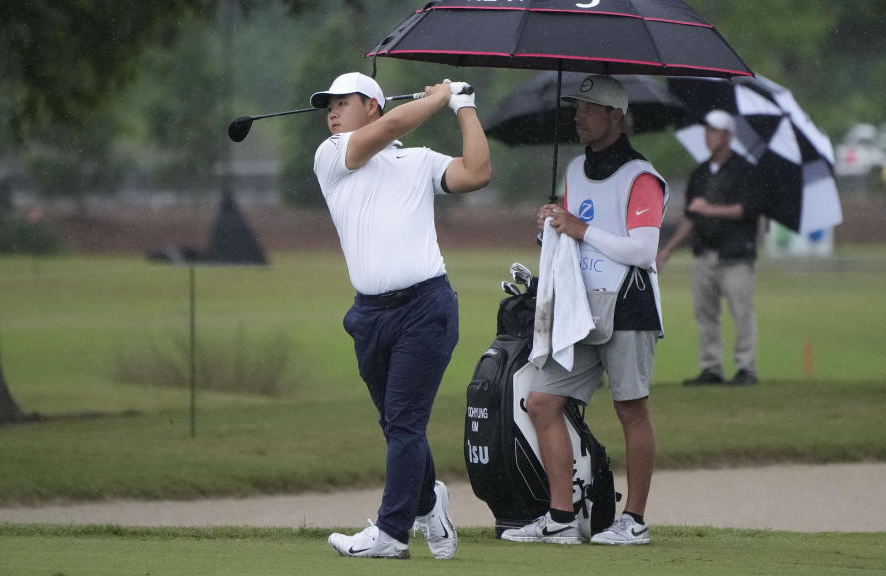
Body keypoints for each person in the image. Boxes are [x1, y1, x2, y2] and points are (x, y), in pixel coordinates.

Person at [311, 72, 490, 560]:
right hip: (368, 315)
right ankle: (430, 503)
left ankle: (392, 533)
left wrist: (462, 106)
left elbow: (476, 172)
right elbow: (389, 129)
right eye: (328, 105)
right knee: (395, 423)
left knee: (406, 423)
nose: (331, 112)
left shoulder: (418, 162)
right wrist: (437, 98)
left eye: (341, 103)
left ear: (371, 104)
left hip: (426, 308)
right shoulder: (332, 156)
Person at [502, 74, 667, 547]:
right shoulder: (575, 169)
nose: (579, 117)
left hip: (628, 305)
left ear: (617, 115)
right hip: (580, 306)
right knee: (541, 402)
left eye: (590, 109)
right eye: (576, 109)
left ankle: (633, 519)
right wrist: (552, 226)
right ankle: (560, 516)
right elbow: (573, 231)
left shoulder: (642, 176)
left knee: (630, 409)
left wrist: (578, 226)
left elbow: (642, 251)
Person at [656, 109, 763, 386]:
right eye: (707, 130)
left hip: (736, 254)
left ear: (729, 135)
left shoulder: (746, 171)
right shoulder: (700, 174)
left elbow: (747, 210)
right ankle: (711, 367)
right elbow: (691, 217)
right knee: (705, 313)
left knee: (741, 312)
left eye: (715, 131)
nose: (709, 136)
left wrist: (710, 209)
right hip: (704, 253)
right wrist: (668, 249)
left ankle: (745, 367)